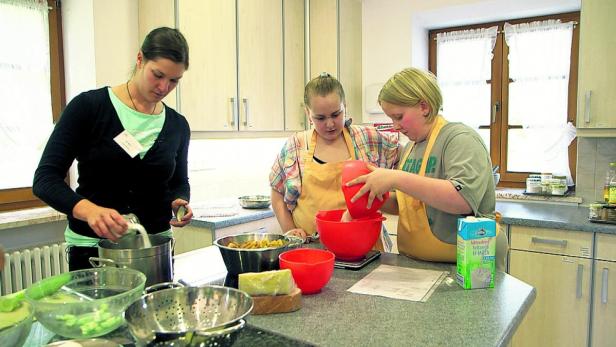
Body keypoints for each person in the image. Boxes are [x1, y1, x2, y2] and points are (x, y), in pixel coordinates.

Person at [33, 27, 193, 271]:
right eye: (157, 75)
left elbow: (179, 182)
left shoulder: (177, 125)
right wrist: (89, 211)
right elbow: (45, 179)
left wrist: (180, 202)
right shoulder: (89, 108)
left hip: (154, 252)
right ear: (140, 59)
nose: (163, 87)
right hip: (94, 252)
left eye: (174, 81)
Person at [346, 67, 505, 265]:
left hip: (469, 263)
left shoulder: (460, 139)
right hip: (420, 261)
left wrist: (395, 178)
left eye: (399, 116)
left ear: (424, 107)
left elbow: (462, 200)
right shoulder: (411, 147)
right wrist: (374, 196)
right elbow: (410, 205)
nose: (395, 126)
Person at [269, 73, 400, 242]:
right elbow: (277, 193)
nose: (330, 124)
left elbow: (406, 159)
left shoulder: (368, 139)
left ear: (345, 106)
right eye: (320, 118)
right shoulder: (296, 145)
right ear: (308, 113)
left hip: (364, 247)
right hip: (312, 250)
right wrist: (291, 231)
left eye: (336, 114)